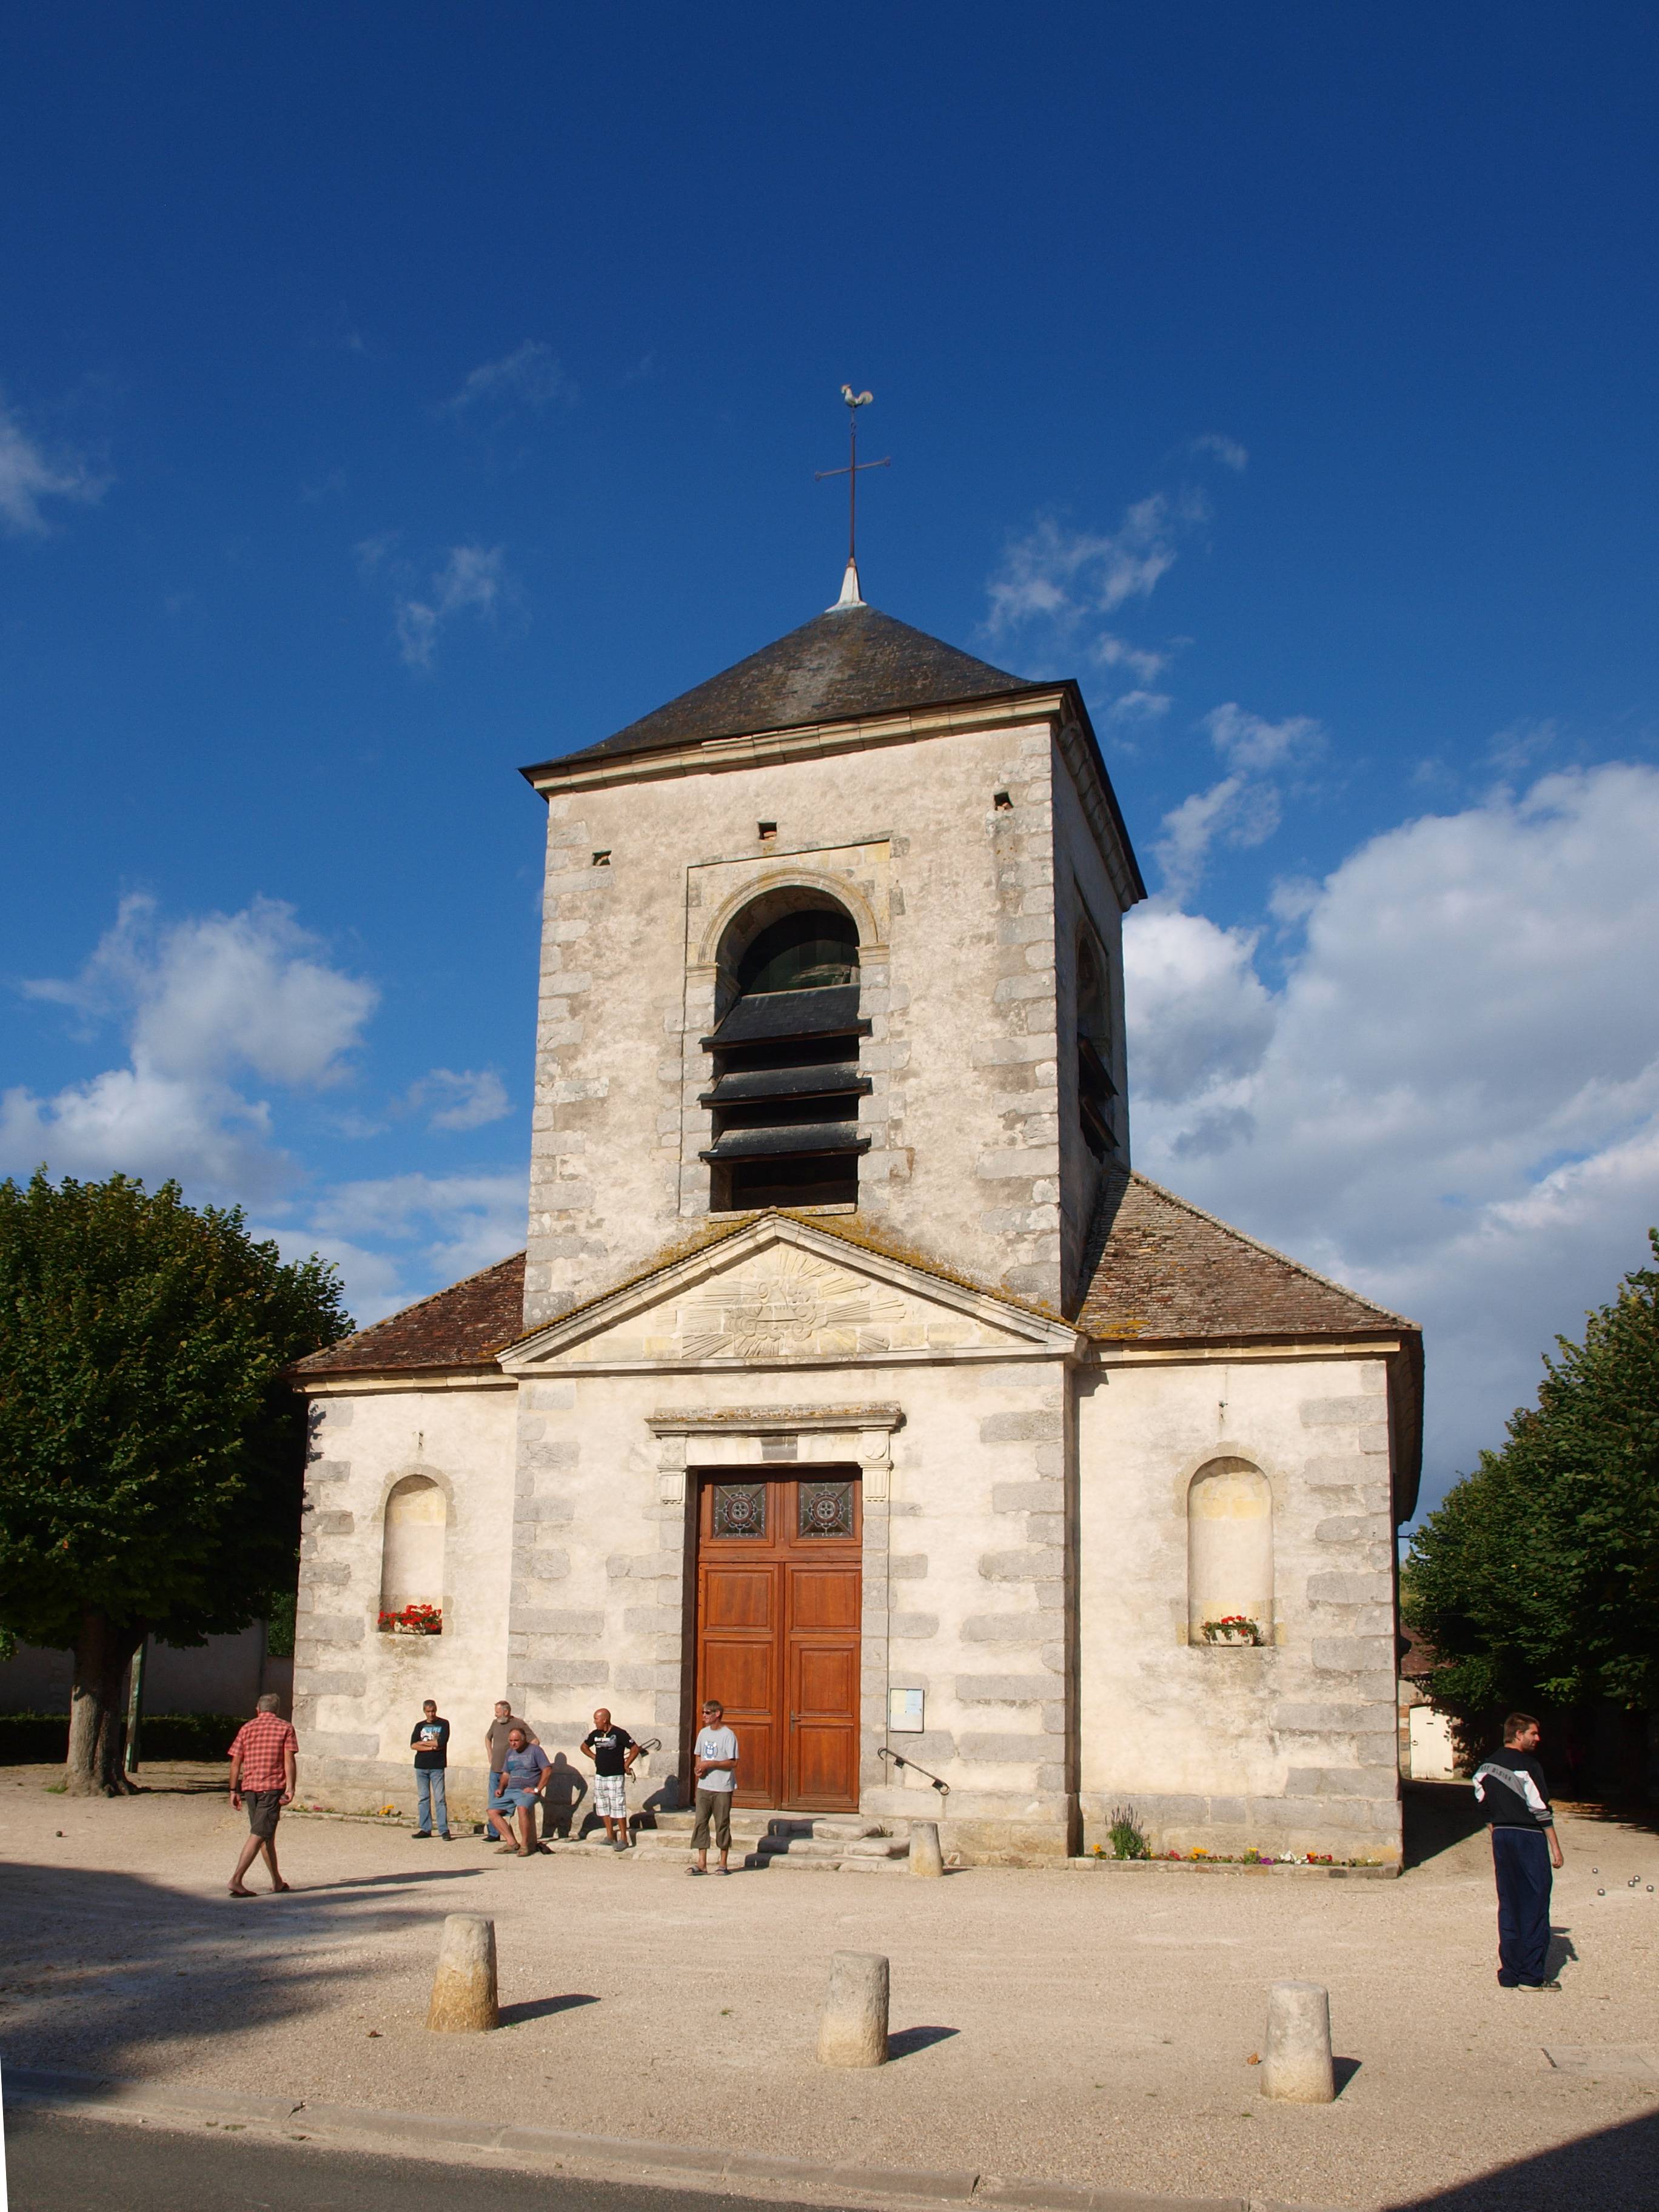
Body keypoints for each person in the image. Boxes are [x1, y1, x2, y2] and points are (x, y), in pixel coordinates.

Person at [1473, 1711, 1565, 1991]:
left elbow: (1482, 1805)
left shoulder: (1485, 1767)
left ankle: (1510, 1973)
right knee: (1535, 1903)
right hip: (1529, 1837)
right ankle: (1531, 1976)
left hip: (1501, 1837)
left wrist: (1497, 1832)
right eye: (1533, 1734)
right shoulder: (1529, 1765)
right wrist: (1555, 1847)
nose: (1538, 1739)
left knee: (1509, 1903)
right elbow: (1540, 1808)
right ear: (1518, 1734)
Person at [226, 1692, 298, 1899]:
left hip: (250, 1789)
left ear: (258, 1709)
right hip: (271, 1788)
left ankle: (277, 1881)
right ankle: (237, 1879)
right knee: (259, 1834)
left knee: (266, 1835)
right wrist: (290, 1789)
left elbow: (236, 1762)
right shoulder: (285, 1728)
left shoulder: (246, 1728)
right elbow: (289, 1761)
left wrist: (233, 1790)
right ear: (277, 1710)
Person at [687, 1698, 739, 1876]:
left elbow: (733, 1762)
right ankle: (702, 1862)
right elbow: (698, 1754)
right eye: (703, 1713)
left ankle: (723, 1863)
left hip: (722, 1786)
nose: (704, 1716)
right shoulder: (703, 1733)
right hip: (704, 1785)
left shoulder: (728, 1735)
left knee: (722, 1823)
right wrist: (699, 1768)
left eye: (707, 1713)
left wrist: (711, 1765)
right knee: (701, 1822)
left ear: (717, 1714)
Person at [579, 1707, 638, 1851]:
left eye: (596, 1719)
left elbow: (635, 1748)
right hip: (601, 1775)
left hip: (616, 1775)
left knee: (618, 1805)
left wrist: (627, 1764)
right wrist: (595, 1757)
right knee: (603, 1805)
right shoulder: (596, 1734)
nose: (595, 1722)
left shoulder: (619, 1733)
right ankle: (610, 1835)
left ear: (605, 1719)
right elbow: (584, 1747)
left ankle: (624, 1839)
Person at [488, 1725, 551, 1857]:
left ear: (524, 1739)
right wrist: (501, 1788)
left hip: (527, 1790)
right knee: (492, 1811)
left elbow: (547, 1770)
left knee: (522, 1808)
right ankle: (511, 1843)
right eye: (511, 1741)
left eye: (516, 1741)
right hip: (511, 1789)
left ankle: (525, 1845)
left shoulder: (536, 1751)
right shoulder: (510, 1753)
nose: (513, 1743)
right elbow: (506, 1773)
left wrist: (537, 1789)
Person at [409, 1700, 452, 1839]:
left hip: (437, 1766)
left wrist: (425, 1745)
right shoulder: (419, 1726)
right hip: (421, 1766)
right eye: (428, 1711)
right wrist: (430, 1747)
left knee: (440, 1798)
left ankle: (443, 1829)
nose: (431, 1714)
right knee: (423, 1798)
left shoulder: (443, 1724)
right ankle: (425, 1828)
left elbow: (441, 1742)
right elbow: (413, 1745)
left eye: (433, 1711)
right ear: (424, 1711)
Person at [483, 1699, 539, 1803]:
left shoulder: (519, 1724)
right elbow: (487, 1738)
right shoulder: (495, 1723)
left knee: (509, 1802)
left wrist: (523, 1757)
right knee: (492, 1802)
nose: (496, 1715)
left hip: (511, 1772)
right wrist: (490, 1754)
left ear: (506, 1712)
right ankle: (492, 1820)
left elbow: (535, 1741)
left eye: (498, 1712)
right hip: (495, 1769)